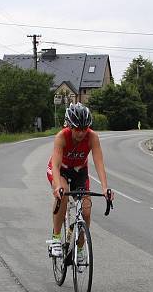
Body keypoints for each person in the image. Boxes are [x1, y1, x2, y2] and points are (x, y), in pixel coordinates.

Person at [46, 103, 113, 261]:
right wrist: (57, 187)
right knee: (62, 193)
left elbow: (99, 163)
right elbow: (55, 164)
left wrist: (105, 188)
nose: (81, 133)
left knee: (86, 210)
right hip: (60, 169)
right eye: (77, 129)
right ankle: (56, 238)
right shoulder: (62, 137)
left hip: (79, 172)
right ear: (70, 126)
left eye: (84, 128)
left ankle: (80, 248)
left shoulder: (92, 137)